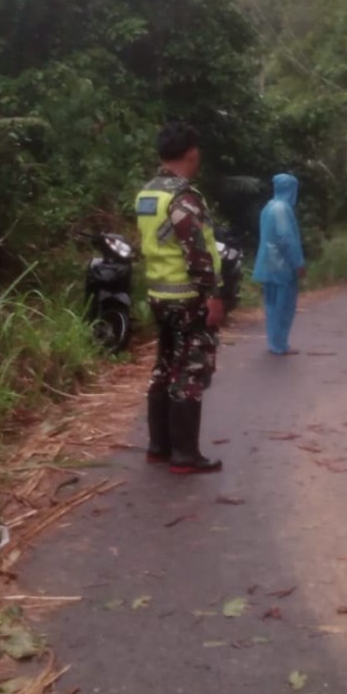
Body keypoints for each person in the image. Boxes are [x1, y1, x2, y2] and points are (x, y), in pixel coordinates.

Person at [135, 122, 224, 474]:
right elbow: (197, 254)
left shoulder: (147, 194)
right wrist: (213, 295)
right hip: (188, 298)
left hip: (159, 295)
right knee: (190, 370)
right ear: (191, 153)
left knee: (164, 367)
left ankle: (159, 446)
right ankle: (185, 455)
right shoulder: (183, 198)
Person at [252, 173, 305, 355]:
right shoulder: (283, 209)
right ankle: (280, 344)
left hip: (267, 263)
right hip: (281, 265)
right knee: (284, 306)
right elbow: (286, 239)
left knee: (272, 305)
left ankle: (274, 342)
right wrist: (298, 262)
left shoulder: (268, 207)